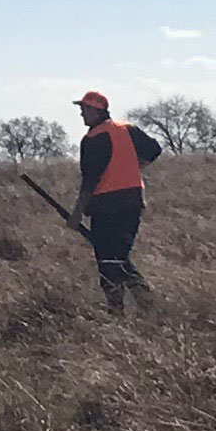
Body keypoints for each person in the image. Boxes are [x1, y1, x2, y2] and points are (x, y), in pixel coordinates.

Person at [71, 91, 163, 312]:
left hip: (106, 207)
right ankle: (147, 304)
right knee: (118, 257)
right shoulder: (127, 129)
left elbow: (90, 180)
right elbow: (154, 149)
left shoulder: (92, 140)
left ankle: (118, 309)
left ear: (97, 110)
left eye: (85, 109)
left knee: (108, 260)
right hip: (133, 203)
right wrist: (135, 166)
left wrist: (76, 214)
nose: (82, 113)